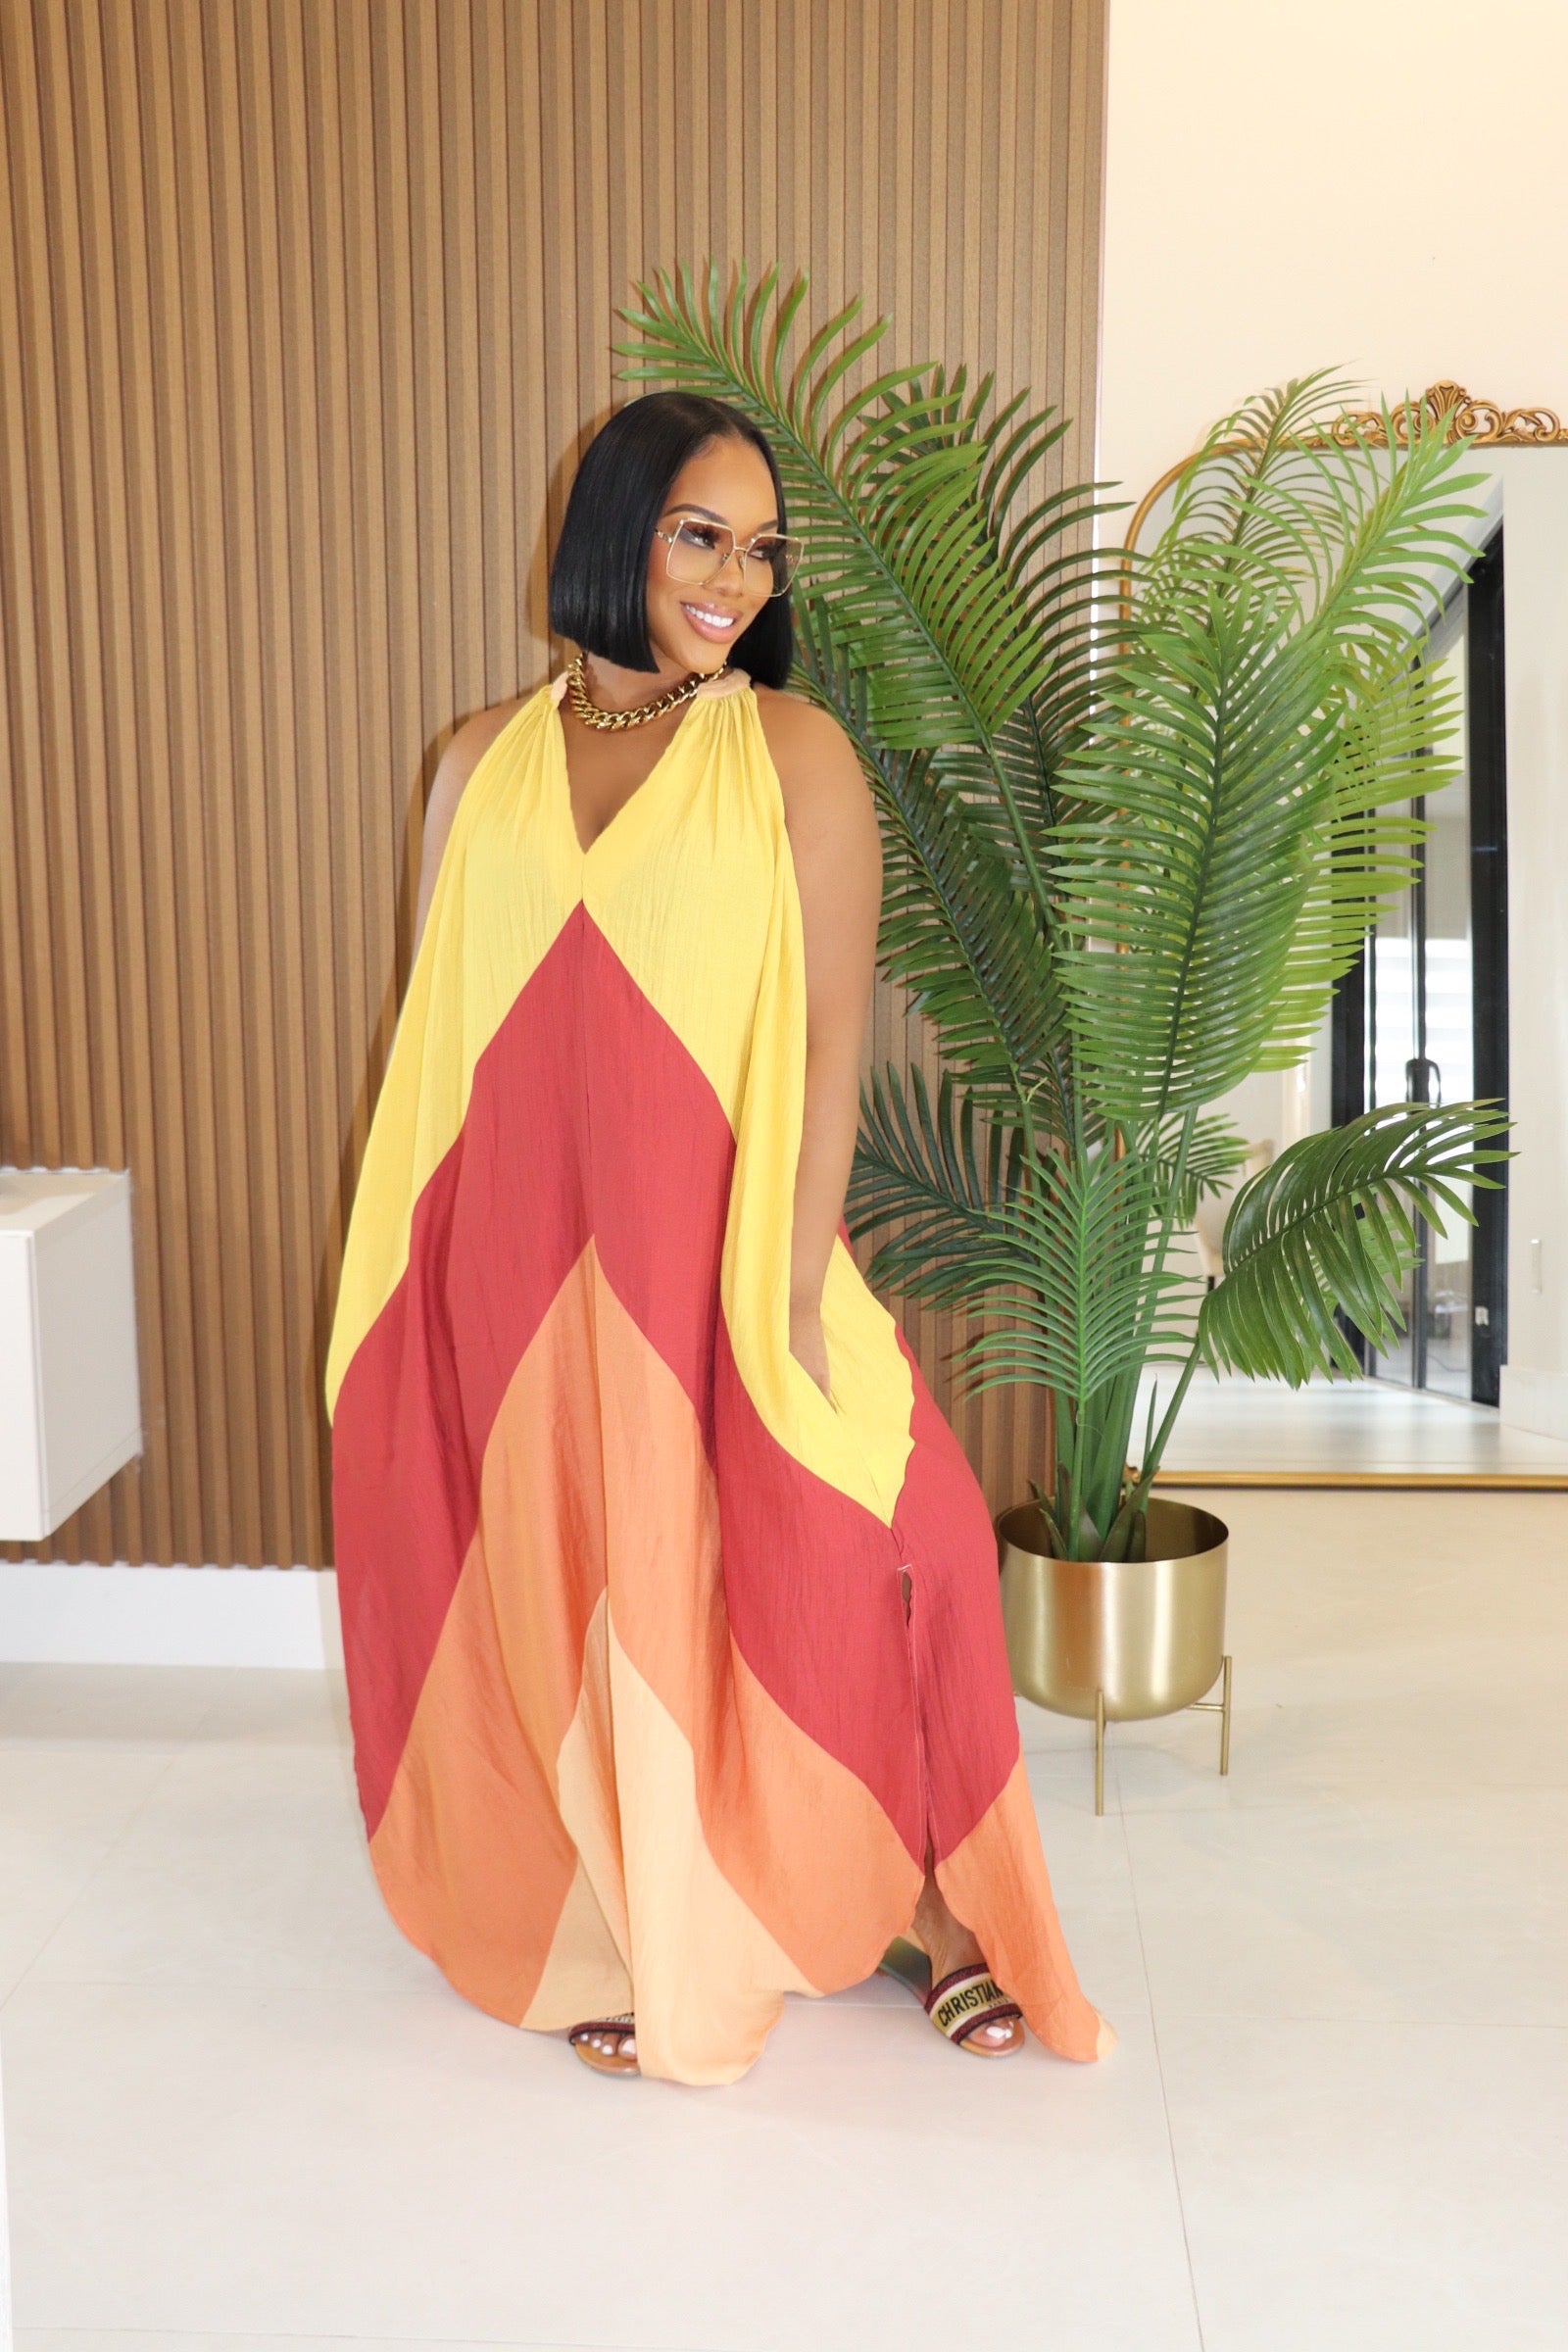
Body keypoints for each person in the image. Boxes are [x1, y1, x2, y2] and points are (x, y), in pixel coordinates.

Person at [324, 389, 1114, 2086]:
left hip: (731, 1253)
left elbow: (830, 1043)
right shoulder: (473, 765)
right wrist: (417, 1288)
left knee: (881, 1552)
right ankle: (626, 1922)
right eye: (701, 535)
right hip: (522, 1275)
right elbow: (433, 1038)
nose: (735, 580)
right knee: (581, 1588)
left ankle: (938, 1909)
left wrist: (794, 1284)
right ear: (614, 528)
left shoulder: (790, 753)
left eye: (762, 549)